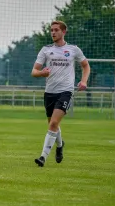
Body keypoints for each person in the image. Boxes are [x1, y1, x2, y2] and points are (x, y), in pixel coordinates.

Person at [31, 20, 90, 167]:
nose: (53, 32)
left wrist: (84, 81)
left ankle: (43, 157)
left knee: (54, 123)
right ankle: (59, 145)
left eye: (56, 30)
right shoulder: (46, 50)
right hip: (49, 92)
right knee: (52, 125)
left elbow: (85, 65)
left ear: (63, 32)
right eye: (51, 30)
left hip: (66, 91)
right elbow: (34, 71)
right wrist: (41, 73)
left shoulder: (73, 49)